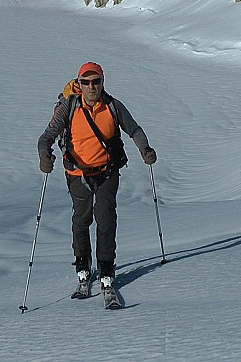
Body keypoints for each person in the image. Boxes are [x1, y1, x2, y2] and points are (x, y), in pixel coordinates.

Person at [38, 61, 157, 294]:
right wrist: (45, 156)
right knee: (82, 219)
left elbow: (134, 130)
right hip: (77, 173)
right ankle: (82, 265)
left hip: (107, 172)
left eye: (96, 82)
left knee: (106, 218)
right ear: (79, 84)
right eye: (86, 82)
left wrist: (146, 150)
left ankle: (106, 269)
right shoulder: (68, 107)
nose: (91, 87)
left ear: (103, 82)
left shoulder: (113, 106)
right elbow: (47, 136)